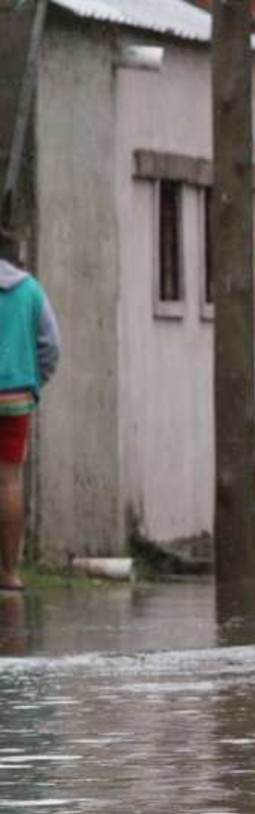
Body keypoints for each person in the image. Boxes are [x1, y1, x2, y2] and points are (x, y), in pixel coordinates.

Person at [0, 226, 61, 594]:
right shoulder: (30, 290)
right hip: (15, 399)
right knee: (8, 481)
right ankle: (8, 573)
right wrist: (32, 381)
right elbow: (51, 347)